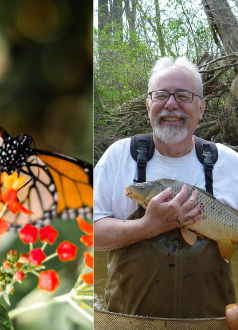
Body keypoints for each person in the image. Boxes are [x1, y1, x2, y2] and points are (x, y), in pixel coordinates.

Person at [94, 57, 238, 318]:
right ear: (148, 104)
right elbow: (87, 233)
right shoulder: (117, 157)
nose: (171, 104)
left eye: (183, 95)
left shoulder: (230, 163)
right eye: (161, 95)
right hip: (129, 322)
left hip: (211, 321)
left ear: (202, 107)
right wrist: (145, 227)